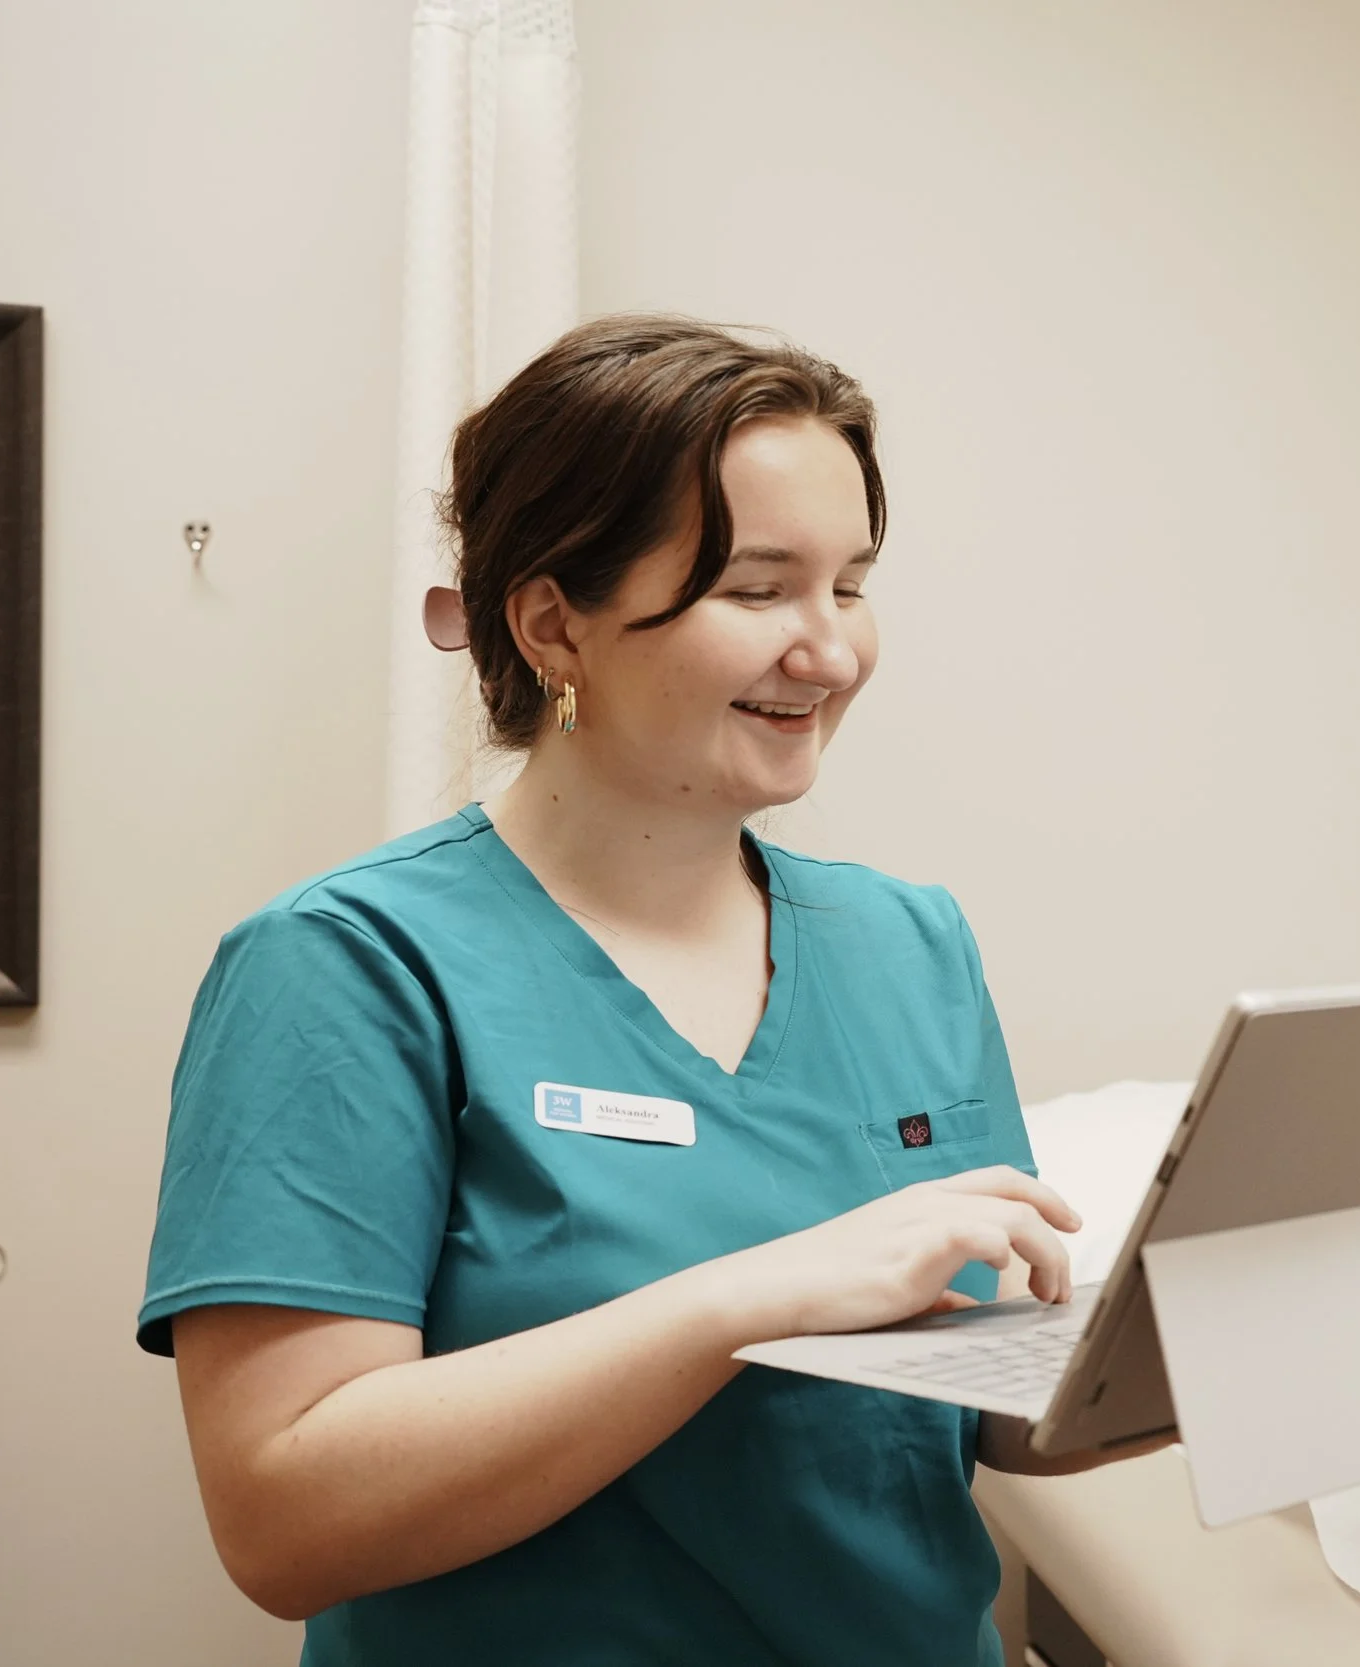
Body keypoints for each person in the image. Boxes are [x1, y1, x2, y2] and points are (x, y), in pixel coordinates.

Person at [140, 315, 1125, 1666]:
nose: (828, 652)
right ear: (554, 622)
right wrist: (751, 1297)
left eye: (850, 586)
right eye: (760, 589)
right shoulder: (348, 965)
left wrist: (1203, 1345)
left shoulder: (913, 944)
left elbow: (964, 1399)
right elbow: (287, 1513)